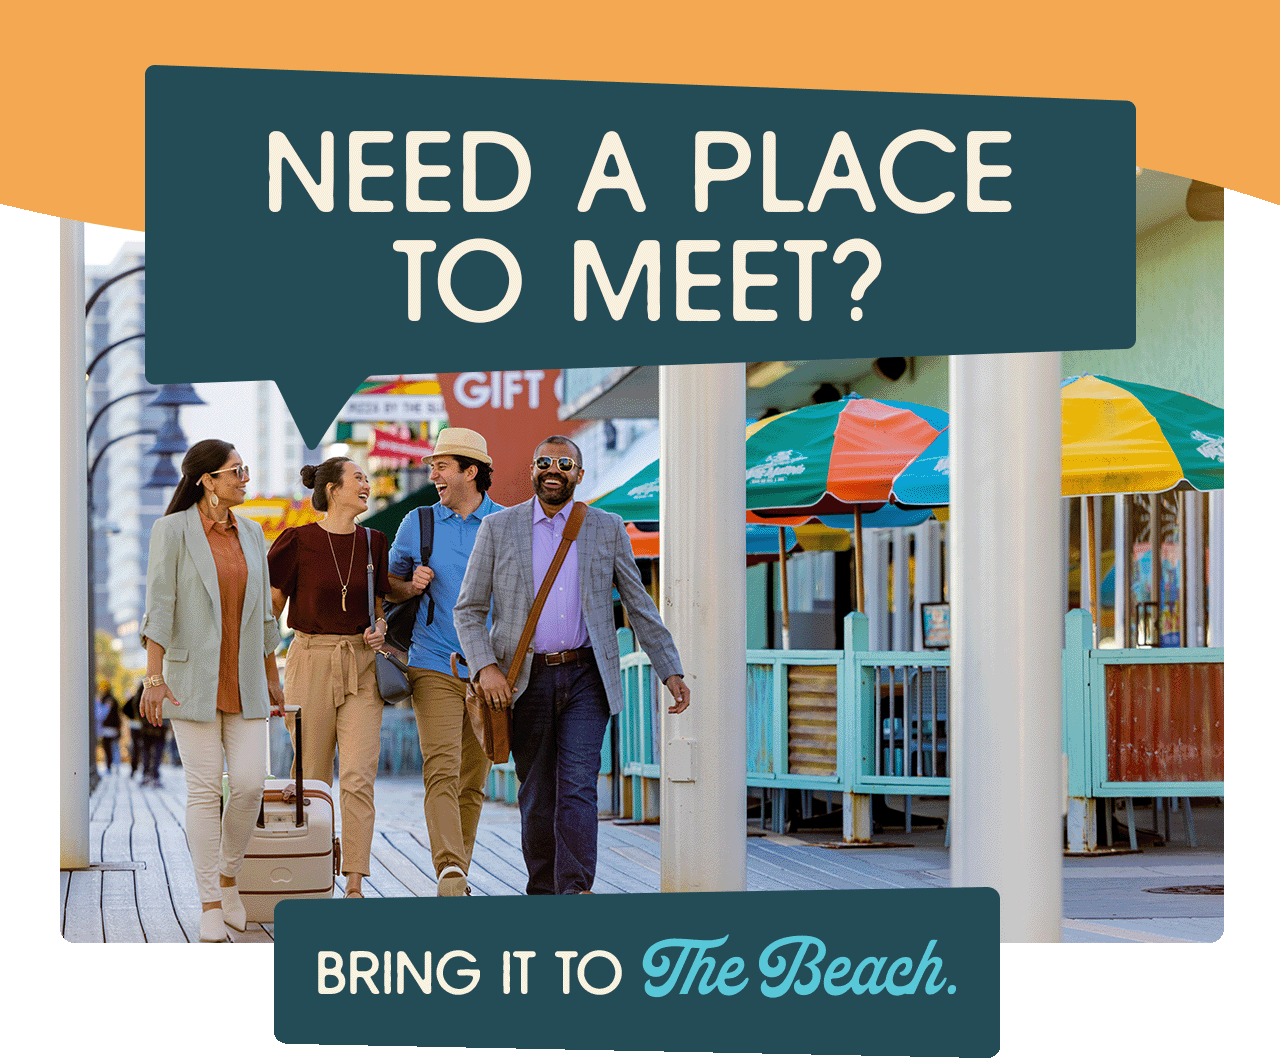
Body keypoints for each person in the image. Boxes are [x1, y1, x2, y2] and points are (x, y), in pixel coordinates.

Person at [455, 435, 691, 896]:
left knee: (579, 788)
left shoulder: (606, 527)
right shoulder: (498, 528)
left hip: (588, 677)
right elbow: (468, 609)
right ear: (531, 471)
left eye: (565, 463)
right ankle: (544, 890)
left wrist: (670, 668)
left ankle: (576, 891)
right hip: (523, 682)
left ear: (578, 475)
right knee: (538, 795)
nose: (553, 469)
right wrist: (486, 669)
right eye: (544, 461)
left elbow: (638, 605)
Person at [139, 439, 284, 942]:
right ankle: (208, 902)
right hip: (189, 683)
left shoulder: (253, 532)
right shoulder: (172, 530)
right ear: (208, 480)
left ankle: (228, 878)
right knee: (203, 792)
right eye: (236, 471)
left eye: (245, 469)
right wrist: (153, 678)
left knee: (247, 785)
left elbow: (266, 616)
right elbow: (159, 604)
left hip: (245, 681)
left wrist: (272, 676)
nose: (245, 478)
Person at [386, 428, 502, 897]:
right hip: (433, 660)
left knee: (474, 779)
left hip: (489, 670)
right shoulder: (419, 523)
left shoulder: (505, 525)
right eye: (431, 465)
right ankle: (449, 872)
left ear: (470, 471)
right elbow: (389, 589)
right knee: (441, 768)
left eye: (441, 466)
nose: (431, 474)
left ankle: (461, 869)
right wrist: (410, 585)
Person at [268, 457, 390, 899]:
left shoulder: (375, 541)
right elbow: (269, 613)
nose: (367, 484)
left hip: (361, 664)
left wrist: (381, 629)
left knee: (358, 774)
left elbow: (379, 610)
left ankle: (355, 879)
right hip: (310, 660)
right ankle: (311, 869)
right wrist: (267, 675)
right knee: (313, 776)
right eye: (358, 478)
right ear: (334, 489)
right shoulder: (296, 541)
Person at [95, 683, 121, 773]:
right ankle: (117, 767)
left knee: (108, 749)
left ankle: (109, 767)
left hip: (106, 728)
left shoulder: (103, 700)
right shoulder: (114, 700)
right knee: (115, 748)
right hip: (114, 728)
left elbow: (100, 715)